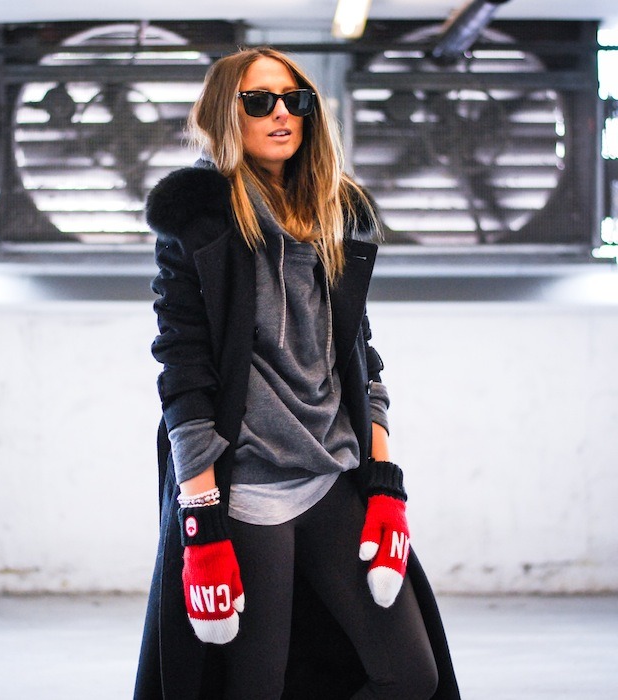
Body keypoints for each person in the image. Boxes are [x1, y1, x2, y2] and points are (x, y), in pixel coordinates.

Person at [134, 47, 460, 700]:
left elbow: (361, 358)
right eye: (260, 101)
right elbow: (184, 377)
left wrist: (386, 484)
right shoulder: (199, 224)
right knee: (253, 686)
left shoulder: (337, 215)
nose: (281, 113)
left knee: (409, 673)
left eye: (295, 99)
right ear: (225, 114)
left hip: (331, 476)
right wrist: (200, 523)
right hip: (245, 489)